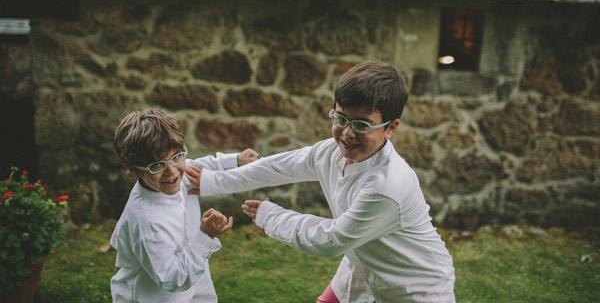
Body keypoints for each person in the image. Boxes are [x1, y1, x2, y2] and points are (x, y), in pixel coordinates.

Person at [189, 60, 455, 303]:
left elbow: (332, 241)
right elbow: (277, 167)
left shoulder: (386, 187)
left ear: (391, 128)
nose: (347, 133)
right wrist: (215, 181)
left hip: (414, 290)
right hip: (361, 270)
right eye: (341, 119)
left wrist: (270, 216)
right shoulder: (330, 152)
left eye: (362, 124)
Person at [110, 108, 259, 303]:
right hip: (156, 296)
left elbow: (200, 165)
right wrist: (205, 236)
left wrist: (235, 161)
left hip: (194, 274)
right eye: (156, 165)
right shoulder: (147, 222)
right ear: (134, 171)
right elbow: (173, 278)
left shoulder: (176, 173)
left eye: (176, 157)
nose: (171, 171)